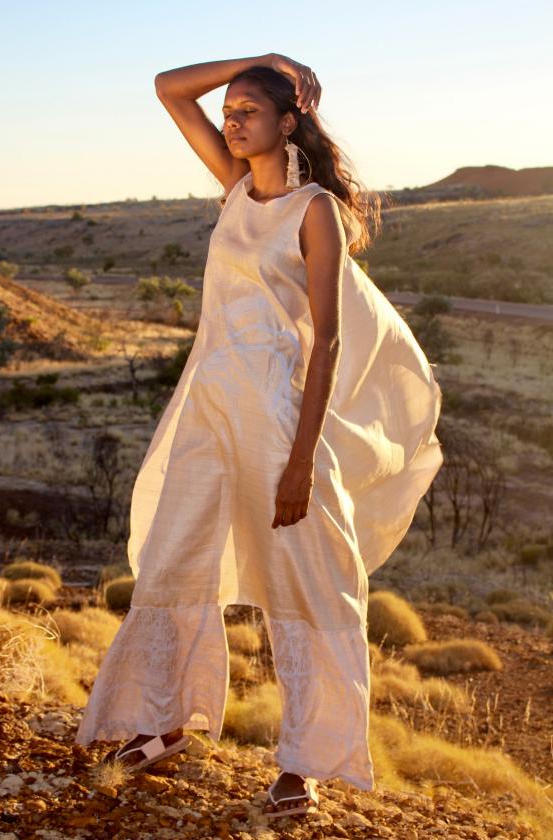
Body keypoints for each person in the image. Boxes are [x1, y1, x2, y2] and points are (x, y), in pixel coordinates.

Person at [74, 52, 443, 820]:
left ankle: (304, 764)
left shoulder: (315, 210)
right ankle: (170, 720)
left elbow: (330, 343)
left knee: (306, 585)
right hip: (209, 409)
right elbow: (168, 88)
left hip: (279, 417)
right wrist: (259, 60)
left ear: (289, 122)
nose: (232, 118)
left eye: (249, 108)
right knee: (177, 555)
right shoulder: (236, 187)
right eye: (231, 109)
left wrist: (301, 463)